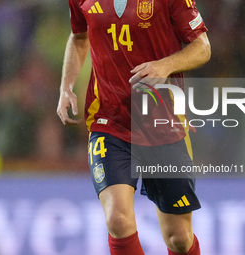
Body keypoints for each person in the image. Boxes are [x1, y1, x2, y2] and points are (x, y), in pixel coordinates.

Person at [57, 0, 211, 254]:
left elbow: (202, 47)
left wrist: (166, 65)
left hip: (162, 123)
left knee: (179, 239)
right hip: (109, 121)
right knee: (117, 218)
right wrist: (66, 86)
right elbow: (79, 37)